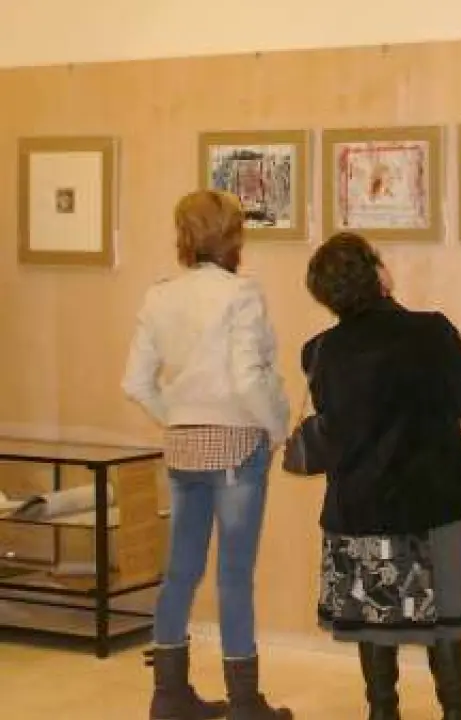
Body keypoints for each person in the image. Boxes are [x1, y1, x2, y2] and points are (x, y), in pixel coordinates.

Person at [300, 233, 461, 720]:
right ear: (378, 274)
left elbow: (337, 426)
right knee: (445, 617)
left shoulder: (320, 351)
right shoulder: (431, 332)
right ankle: (456, 710)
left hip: (362, 505)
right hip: (437, 498)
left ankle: (382, 710)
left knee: (375, 615)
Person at [122, 190, 293, 720]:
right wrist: (277, 427)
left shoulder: (159, 295)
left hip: (183, 447)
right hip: (238, 447)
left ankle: (168, 695)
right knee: (233, 577)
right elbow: (248, 379)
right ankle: (244, 702)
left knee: (180, 573)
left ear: (183, 235)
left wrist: (179, 414)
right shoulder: (241, 293)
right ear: (233, 235)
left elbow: (135, 382)